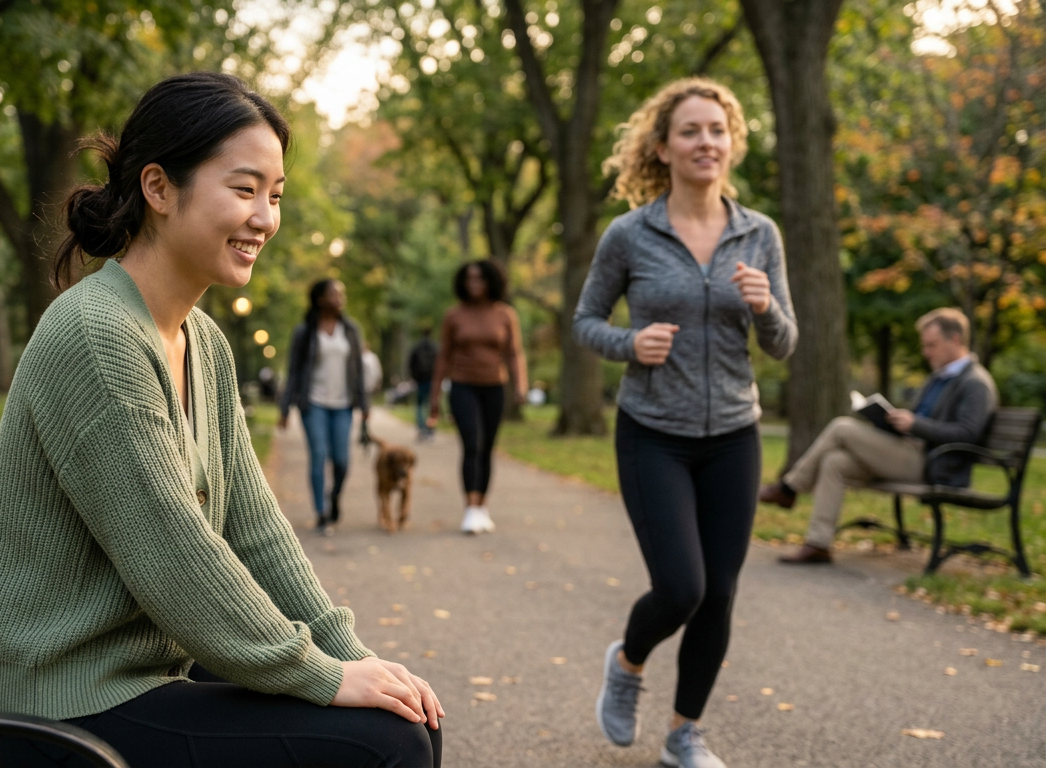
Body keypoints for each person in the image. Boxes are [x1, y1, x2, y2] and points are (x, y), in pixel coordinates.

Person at [0, 73, 442, 768]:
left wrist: (353, 658)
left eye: (276, 196)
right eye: (245, 189)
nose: (265, 218)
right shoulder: (96, 334)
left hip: (146, 678)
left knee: (401, 716)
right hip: (66, 712)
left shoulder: (205, 341)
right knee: (387, 746)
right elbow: (173, 554)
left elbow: (254, 529)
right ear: (159, 188)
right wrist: (318, 673)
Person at [573, 78, 797, 768]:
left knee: (719, 596)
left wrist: (764, 309)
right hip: (653, 432)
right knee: (682, 586)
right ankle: (629, 661)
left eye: (717, 130)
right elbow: (585, 322)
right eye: (691, 131)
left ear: (731, 144)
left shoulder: (759, 234)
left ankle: (683, 735)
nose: (706, 141)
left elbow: (786, 343)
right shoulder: (630, 234)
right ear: (663, 147)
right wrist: (628, 345)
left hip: (734, 433)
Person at [763, 307, 998, 564]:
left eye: (932, 345)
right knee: (836, 462)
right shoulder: (938, 377)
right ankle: (818, 544)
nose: (926, 352)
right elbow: (923, 420)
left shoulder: (975, 383)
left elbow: (968, 434)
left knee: (842, 427)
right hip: (911, 452)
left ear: (955, 340)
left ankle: (789, 488)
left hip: (934, 464)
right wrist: (893, 422)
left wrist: (914, 424)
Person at [427, 260, 528, 534]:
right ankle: (470, 508)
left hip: (494, 387)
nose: (474, 284)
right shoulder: (454, 315)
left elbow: (514, 353)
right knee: (472, 444)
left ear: (491, 282)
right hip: (462, 386)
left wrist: (521, 385)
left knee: (487, 448)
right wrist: (434, 396)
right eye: (469, 278)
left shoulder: (505, 315)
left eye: (480, 279)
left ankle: (482, 505)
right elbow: (443, 356)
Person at [278, 279, 370, 534]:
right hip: (313, 403)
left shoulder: (350, 329)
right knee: (318, 456)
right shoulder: (305, 332)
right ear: (320, 299)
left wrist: (364, 405)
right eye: (333, 294)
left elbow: (358, 370)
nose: (339, 298)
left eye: (342, 294)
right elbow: (294, 371)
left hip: (343, 405)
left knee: (341, 460)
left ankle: (335, 497)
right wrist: (285, 409)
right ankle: (320, 513)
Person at [408, 326, 439, 440]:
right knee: (431, 405)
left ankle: (422, 429)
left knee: (420, 406)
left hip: (420, 381)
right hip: (432, 380)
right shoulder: (435, 347)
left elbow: (410, 363)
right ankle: (430, 429)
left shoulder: (417, 347)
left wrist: (414, 377)